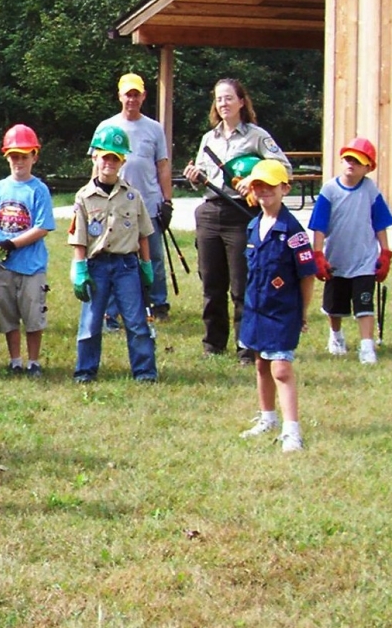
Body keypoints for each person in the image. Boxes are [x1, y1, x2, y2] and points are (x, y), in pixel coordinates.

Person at [183, 78, 291, 363]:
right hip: (210, 212)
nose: (224, 104)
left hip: (241, 213)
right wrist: (195, 177)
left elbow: (283, 167)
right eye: (219, 99)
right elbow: (202, 177)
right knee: (211, 283)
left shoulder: (256, 136)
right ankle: (213, 345)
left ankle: (247, 347)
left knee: (242, 285)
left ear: (242, 102)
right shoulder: (209, 139)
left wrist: (255, 179)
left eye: (229, 98)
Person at [236, 160, 317, 452]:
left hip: (282, 311)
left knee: (281, 369)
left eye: (270, 185)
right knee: (261, 363)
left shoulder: (292, 231)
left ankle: (292, 431)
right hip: (256, 308)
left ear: (285, 188)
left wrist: (302, 311)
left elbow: (307, 275)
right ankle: (267, 418)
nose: (263, 191)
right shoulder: (253, 226)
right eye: (258, 185)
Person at [68, 125, 157, 383]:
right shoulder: (84, 197)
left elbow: (143, 234)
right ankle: (85, 371)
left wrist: (146, 265)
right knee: (90, 322)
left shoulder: (132, 196)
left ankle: (145, 372)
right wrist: (80, 268)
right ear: (95, 157)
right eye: (105, 157)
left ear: (123, 161)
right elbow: (79, 236)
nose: (109, 163)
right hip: (96, 266)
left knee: (136, 321)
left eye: (115, 158)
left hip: (126, 266)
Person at [0, 124, 55, 377]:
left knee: (32, 315)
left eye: (24, 156)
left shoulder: (38, 189)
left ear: (34, 157)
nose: (19, 162)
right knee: (7, 314)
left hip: (30, 266)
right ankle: (15, 360)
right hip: (1, 265)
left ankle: (34, 362)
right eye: (14, 156)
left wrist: (12, 244)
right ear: (7, 157)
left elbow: (42, 227)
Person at [309, 137, 392, 364]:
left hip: (364, 261)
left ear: (368, 167)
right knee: (334, 306)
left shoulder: (370, 190)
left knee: (364, 305)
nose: (351, 164)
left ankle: (367, 346)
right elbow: (319, 226)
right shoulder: (329, 190)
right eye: (348, 159)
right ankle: (336, 336)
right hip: (336, 260)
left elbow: (380, 223)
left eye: (357, 161)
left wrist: (385, 253)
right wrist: (318, 255)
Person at [98, 73, 173, 326]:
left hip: (148, 202)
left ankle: (158, 303)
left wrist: (167, 201)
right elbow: (96, 165)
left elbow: (162, 165)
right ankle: (115, 307)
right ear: (119, 96)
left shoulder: (154, 128)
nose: (131, 99)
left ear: (143, 96)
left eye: (136, 94)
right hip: (115, 205)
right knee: (115, 256)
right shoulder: (107, 126)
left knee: (153, 257)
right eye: (127, 94)